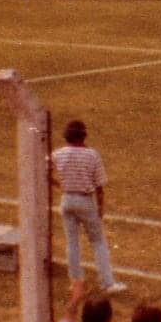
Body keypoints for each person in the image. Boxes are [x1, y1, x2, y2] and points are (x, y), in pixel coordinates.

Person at [51, 120, 127, 295]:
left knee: (72, 243)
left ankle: (75, 282)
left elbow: (44, 170)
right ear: (83, 136)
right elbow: (100, 186)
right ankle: (107, 283)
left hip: (67, 200)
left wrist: (60, 185)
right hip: (85, 201)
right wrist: (100, 208)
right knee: (98, 242)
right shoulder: (92, 155)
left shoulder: (58, 154)